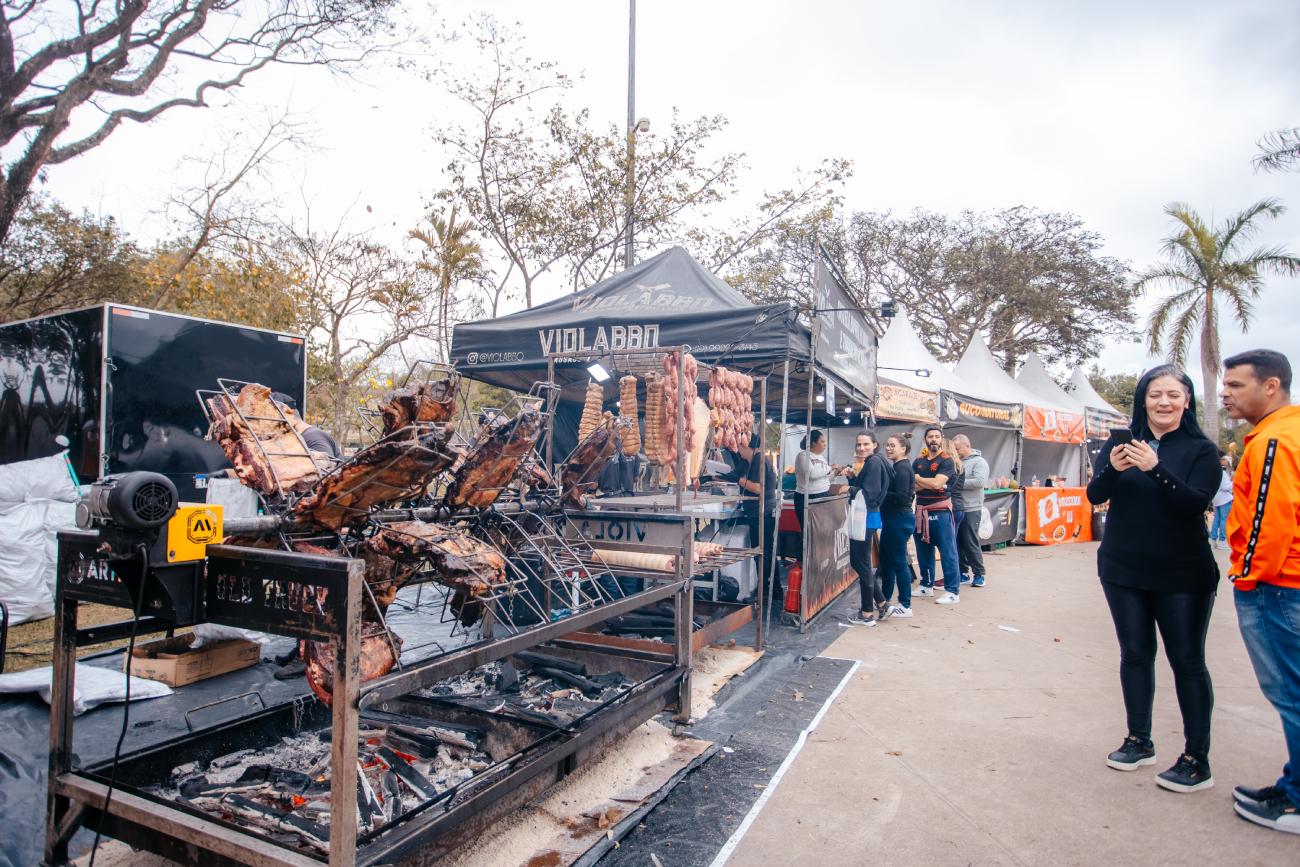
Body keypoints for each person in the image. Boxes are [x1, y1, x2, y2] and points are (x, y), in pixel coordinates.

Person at [1085, 364, 1220, 793]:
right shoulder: (1120, 443)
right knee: (1135, 655)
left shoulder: (1200, 450)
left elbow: (1194, 503)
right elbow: (1095, 496)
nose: (1164, 402)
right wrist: (1115, 467)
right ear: (1143, 399)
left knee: (1187, 662)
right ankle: (1139, 739)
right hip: (1123, 569)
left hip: (1182, 572)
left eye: (1173, 395)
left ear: (1186, 401)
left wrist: (1156, 467)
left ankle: (1196, 758)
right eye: (1155, 394)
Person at [1219, 349, 1300, 834]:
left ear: (1271, 386)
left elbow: (1270, 523)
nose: (1226, 393)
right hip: (1282, 585)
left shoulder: (1274, 441)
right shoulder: (1280, 434)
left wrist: (1247, 577)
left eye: (1236, 385)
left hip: (1277, 588)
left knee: (1290, 694)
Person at [846, 431, 893, 626]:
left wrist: (849, 489)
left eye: (866, 444)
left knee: (861, 563)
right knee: (861, 562)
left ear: (875, 444)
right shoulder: (876, 462)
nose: (861, 448)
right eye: (859, 444)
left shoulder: (874, 463)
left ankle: (867, 613)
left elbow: (869, 494)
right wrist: (852, 479)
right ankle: (882, 603)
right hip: (868, 516)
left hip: (865, 516)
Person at [912, 425, 962, 604]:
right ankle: (926, 585)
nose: (933, 439)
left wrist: (918, 478)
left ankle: (953, 590)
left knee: (948, 551)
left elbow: (937, 483)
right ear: (925, 439)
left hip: (940, 511)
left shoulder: (946, 461)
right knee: (923, 550)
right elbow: (915, 487)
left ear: (941, 439)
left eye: (936, 436)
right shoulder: (918, 461)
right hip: (920, 510)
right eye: (930, 436)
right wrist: (929, 482)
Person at [736, 434, 780, 604]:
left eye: (740, 447)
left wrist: (738, 480)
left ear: (747, 446)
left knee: (763, 553)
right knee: (767, 553)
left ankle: (764, 593)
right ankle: (773, 592)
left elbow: (758, 488)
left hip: (762, 513)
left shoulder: (759, 461)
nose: (739, 451)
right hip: (762, 512)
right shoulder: (756, 460)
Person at [878, 434, 915, 618]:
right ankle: (885, 600)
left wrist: (881, 492)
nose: (888, 448)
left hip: (899, 520)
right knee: (887, 562)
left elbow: (901, 496)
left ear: (903, 448)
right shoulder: (898, 467)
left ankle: (905, 605)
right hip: (893, 520)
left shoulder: (902, 468)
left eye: (893, 445)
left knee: (899, 563)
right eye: (887, 445)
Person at [952, 434, 990, 587]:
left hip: (971, 507)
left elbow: (980, 482)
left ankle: (979, 573)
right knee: (957, 542)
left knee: (970, 541)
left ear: (967, 446)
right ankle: (962, 572)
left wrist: (957, 483)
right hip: (956, 507)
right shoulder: (956, 461)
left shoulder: (979, 462)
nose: (956, 451)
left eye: (958, 449)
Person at [271, 391, 341, 459]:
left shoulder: (313, 437)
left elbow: (327, 468)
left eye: (272, 419)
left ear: (288, 414)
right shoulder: (301, 437)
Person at [793, 429, 837, 532]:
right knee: (808, 530)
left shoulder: (821, 457)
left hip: (823, 495)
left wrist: (835, 473)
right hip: (807, 497)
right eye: (822, 441)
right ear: (813, 442)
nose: (825, 444)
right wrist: (830, 467)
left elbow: (825, 478)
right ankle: (806, 548)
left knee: (821, 529)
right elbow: (811, 474)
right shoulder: (803, 455)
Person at [946, 439, 968, 586]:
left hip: (953, 507)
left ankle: (953, 579)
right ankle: (957, 576)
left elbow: (947, 488)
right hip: (958, 507)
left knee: (949, 546)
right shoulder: (958, 465)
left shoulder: (952, 466)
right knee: (952, 545)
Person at [1209, 453, 1233, 550]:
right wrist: (1234, 483)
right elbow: (1226, 487)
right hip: (1224, 499)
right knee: (1225, 520)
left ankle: (1213, 540)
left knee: (1217, 519)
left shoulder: (1212, 472)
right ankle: (1222, 541)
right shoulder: (1222, 473)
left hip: (1216, 499)